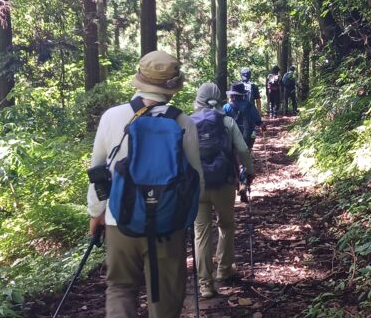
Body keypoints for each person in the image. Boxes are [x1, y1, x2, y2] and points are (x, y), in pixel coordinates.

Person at [87, 51, 203, 318]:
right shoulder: (184, 123)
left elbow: (98, 171)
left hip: (120, 220)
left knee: (120, 288)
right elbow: (197, 180)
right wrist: (186, 218)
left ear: (140, 80)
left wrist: (97, 213)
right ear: (172, 86)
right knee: (166, 300)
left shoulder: (112, 117)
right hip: (168, 223)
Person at [191, 83, 255, 298]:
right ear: (219, 99)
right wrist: (250, 171)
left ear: (198, 99)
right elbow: (243, 149)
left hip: (197, 186)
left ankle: (205, 284)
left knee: (201, 233)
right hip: (225, 182)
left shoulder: (187, 123)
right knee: (226, 226)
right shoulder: (227, 121)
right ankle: (224, 271)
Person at [224, 82, 263, 150]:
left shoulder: (226, 107)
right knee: (247, 151)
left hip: (231, 138)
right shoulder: (250, 105)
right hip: (247, 137)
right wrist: (262, 125)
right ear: (243, 94)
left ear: (232, 95)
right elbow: (257, 120)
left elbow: (221, 121)